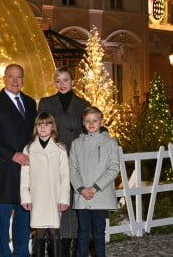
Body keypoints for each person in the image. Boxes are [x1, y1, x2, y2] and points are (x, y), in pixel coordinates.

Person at [0, 64, 37, 257]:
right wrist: (12, 155)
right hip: (3, 172)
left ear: (23, 80)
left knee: (24, 222)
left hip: (26, 172)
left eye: (19, 77)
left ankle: (22, 254)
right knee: (2, 226)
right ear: (4, 79)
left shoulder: (30, 103)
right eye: (11, 77)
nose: (15, 81)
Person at [38, 67, 90, 256]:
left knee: (72, 207)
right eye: (58, 80)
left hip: (76, 161)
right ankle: (54, 250)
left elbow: (89, 131)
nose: (62, 84)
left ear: (73, 82)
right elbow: (40, 130)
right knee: (55, 205)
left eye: (66, 80)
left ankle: (73, 251)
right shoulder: (46, 102)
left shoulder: (84, 104)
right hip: (53, 160)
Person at [69, 106, 120, 257]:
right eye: (88, 121)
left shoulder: (110, 143)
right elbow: (72, 168)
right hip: (82, 195)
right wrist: (81, 188)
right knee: (83, 232)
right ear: (83, 123)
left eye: (95, 121)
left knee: (99, 231)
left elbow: (113, 168)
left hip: (101, 195)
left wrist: (95, 187)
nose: (91, 124)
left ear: (101, 121)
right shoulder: (76, 144)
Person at [20, 112, 70, 257]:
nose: (43, 128)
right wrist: (25, 197)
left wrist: (64, 199)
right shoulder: (29, 149)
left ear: (52, 127)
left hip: (54, 197)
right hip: (37, 198)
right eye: (40, 125)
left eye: (47, 124)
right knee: (39, 232)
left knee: (54, 231)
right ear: (36, 127)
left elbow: (65, 176)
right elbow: (24, 177)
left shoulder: (60, 149)